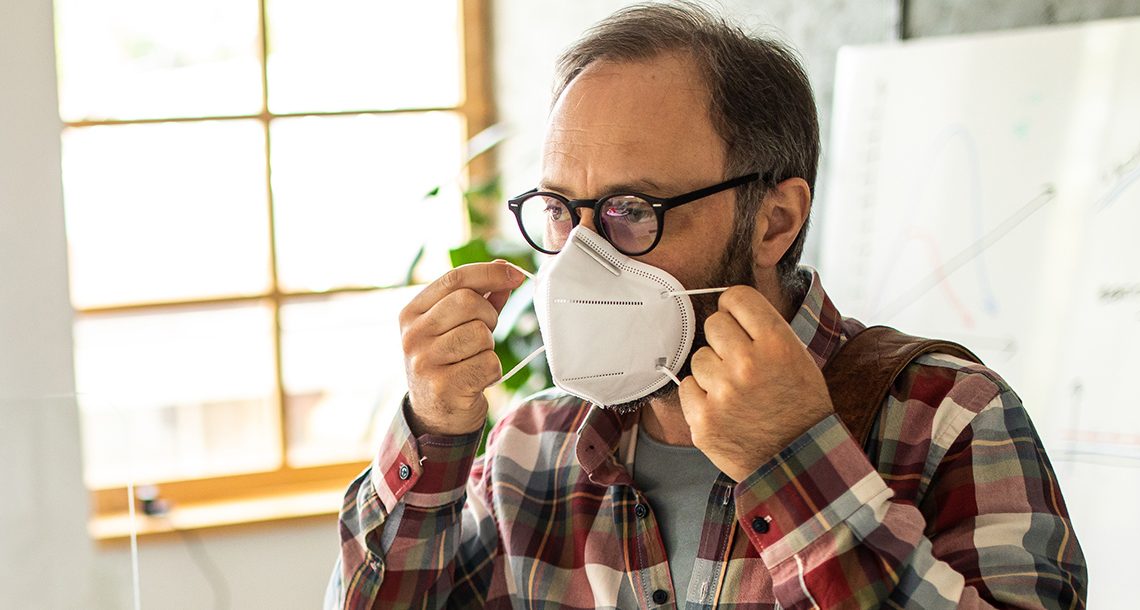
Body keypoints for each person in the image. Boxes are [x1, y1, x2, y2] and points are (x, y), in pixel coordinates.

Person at [326, 3, 1087, 608]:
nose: (581, 257)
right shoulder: (533, 451)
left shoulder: (944, 419)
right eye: (560, 209)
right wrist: (434, 430)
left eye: (632, 208)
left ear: (773, 221)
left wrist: (792, 461)